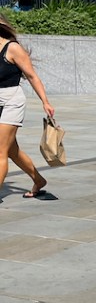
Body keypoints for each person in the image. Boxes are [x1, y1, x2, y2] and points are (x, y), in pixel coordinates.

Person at [0, 17, 55, 198]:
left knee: (1, 151)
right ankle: (38, 180)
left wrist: (45, 101)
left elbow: (32, 76)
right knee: (12, 151)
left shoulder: (12, 48)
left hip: (11, 101)